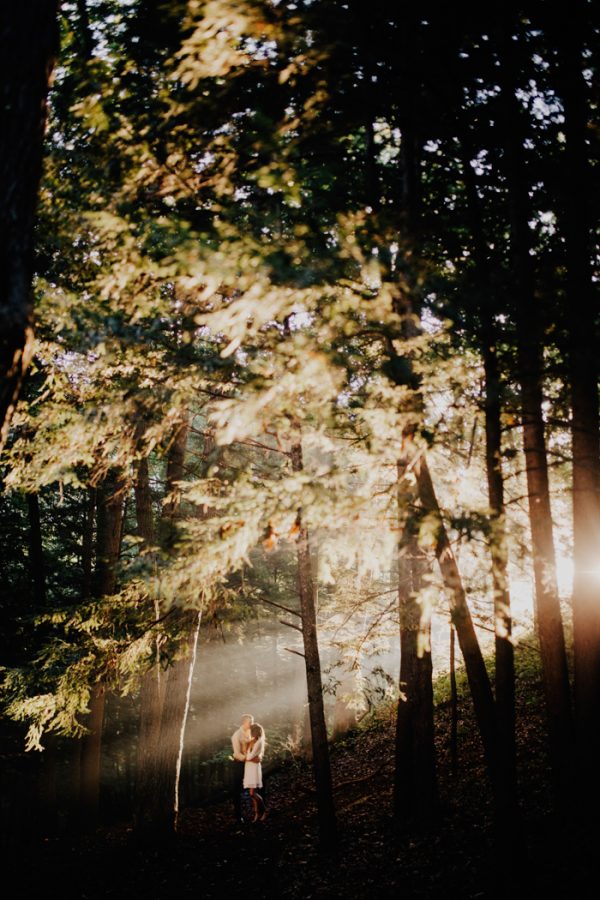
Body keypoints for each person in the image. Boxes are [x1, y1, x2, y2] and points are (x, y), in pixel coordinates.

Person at [231, 713, 258, 823]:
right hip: (240, 765)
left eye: (252, 721)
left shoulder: (253, 732)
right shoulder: (236, 735)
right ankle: (238, 816)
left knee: (258, 787)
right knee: (238, 790)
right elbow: (237, 754)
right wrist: (248, 759)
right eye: (249, 722)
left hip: (252, 764)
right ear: (244, 722)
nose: (252, 723)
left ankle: (258, 812)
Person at [243, 723, 267, 822]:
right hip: (249, 768)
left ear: (257, 732)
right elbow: (248, 755)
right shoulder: (253, 741)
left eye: (252, 732)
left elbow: (249, 756)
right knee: (252, 794)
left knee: (252, 793)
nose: (251, 733)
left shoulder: (259, 742)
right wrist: (249, 758)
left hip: (253, 768)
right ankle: (257, 814)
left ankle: (265, 811)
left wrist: (248, 758)